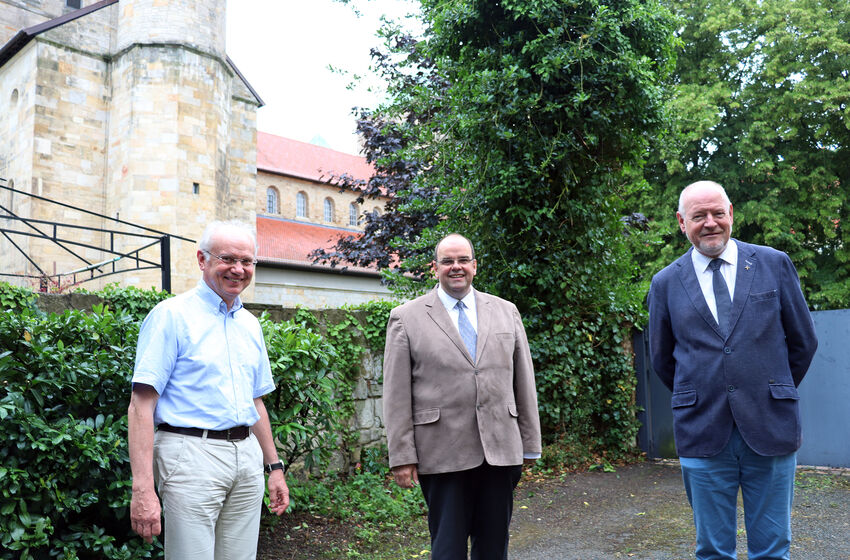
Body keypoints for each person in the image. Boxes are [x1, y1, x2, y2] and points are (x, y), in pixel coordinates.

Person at [648, 181, 818, 560]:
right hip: (702, 430)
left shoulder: (774, 264)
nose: (710, 223)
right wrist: (704, 392)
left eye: (718, 213)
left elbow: (803, 342)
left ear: (731, 214)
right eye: (699, 216)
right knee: (712, 550)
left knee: (773, 548)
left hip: (771, 424)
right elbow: (662, 359)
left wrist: (771, 387)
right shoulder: (665, 283)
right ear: (681, 222)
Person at [127, 220, 289, 559]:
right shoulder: (171, 316)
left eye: (247, 261)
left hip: (247, 458)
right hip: (190, 455)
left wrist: (274, 468)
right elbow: (141, 405)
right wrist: (143, 488)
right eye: (227, 258)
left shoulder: (250, 324)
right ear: (202, 259)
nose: (238, 269)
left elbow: (255, 401)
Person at [382, 233, 542, 560]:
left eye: (463, 260)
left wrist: (530, 442)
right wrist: (402, 456)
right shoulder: (407, 317)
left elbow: (524, 381)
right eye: (448, 261)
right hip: (442, 454)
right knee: (448, 549)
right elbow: (395, 394)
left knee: (494, 546)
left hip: (500, 450)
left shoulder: (506, 311)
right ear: (435, 268)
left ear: (474, 265)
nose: (456, 267)